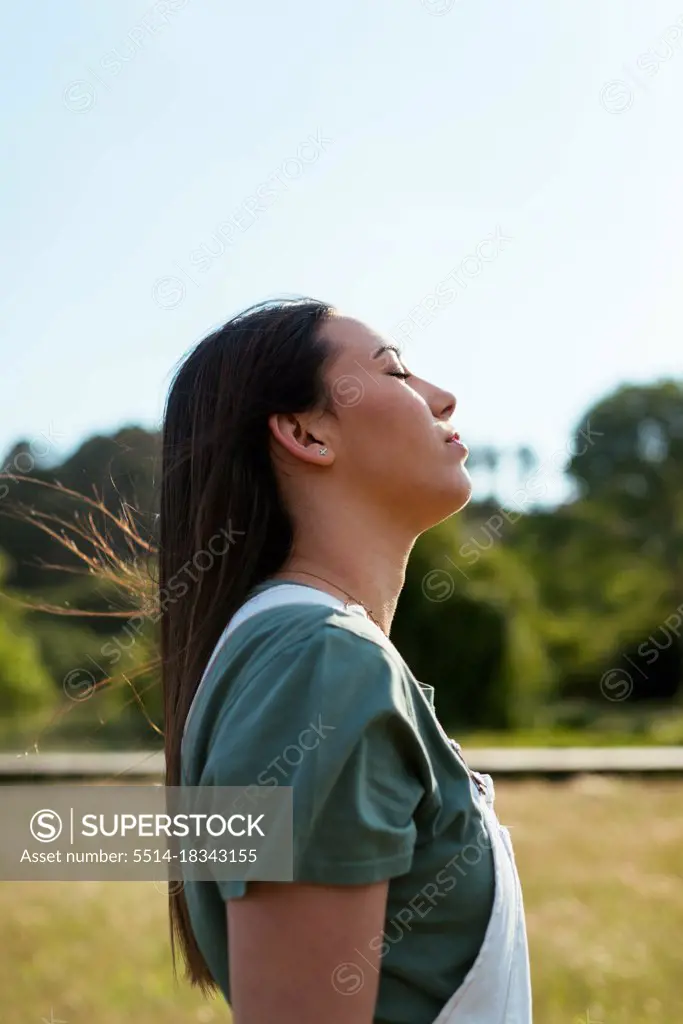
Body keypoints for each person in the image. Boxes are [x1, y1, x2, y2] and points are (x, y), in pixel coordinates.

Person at [160, 298, 532, 1023]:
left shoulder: (306, 654)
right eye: (394, 370)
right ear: (305, 433)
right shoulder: (320, 663)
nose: (442, 397)